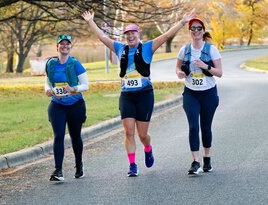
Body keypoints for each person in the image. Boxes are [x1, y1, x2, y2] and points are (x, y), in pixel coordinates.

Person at [82, 10, 196, 177]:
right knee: (128, 132)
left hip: (144, 95)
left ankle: (148, 149)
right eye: (127, 34)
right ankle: (132, 164)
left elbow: (165, 36)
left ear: (138, 33)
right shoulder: (120, 48)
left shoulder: (148, 47)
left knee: (142, 135)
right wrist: (90, 21)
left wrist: (181, 22)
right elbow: (103, 38)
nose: (130, 36)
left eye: (133, 33)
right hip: (127, 95)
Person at [175, 18, 223, 176]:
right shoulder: (185, 50)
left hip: (208, 93)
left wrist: (205, 66)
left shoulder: (211, 49)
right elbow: (177, 67)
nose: (195, 31)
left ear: (203, 31)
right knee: (193, 126)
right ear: (189, 32)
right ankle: (195, 162)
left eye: (198, 28)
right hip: (191, 93)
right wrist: (180, 73)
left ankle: (207, 158)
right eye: (193, 28)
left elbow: (219, 73)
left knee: (206, 127)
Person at [45, 34, 89, 182]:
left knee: (75, 136)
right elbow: (47, 81)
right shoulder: (51, 64)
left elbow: (86, 85)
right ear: (57, 47)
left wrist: (73, 88)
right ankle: (58, 171)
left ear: (70, 47)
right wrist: (48, 89)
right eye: (61, 44)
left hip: (75, 105)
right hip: (57, 105)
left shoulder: (75, 64)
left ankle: (79, 166)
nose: (64, 46)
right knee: (58, 136)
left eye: (67, 44)